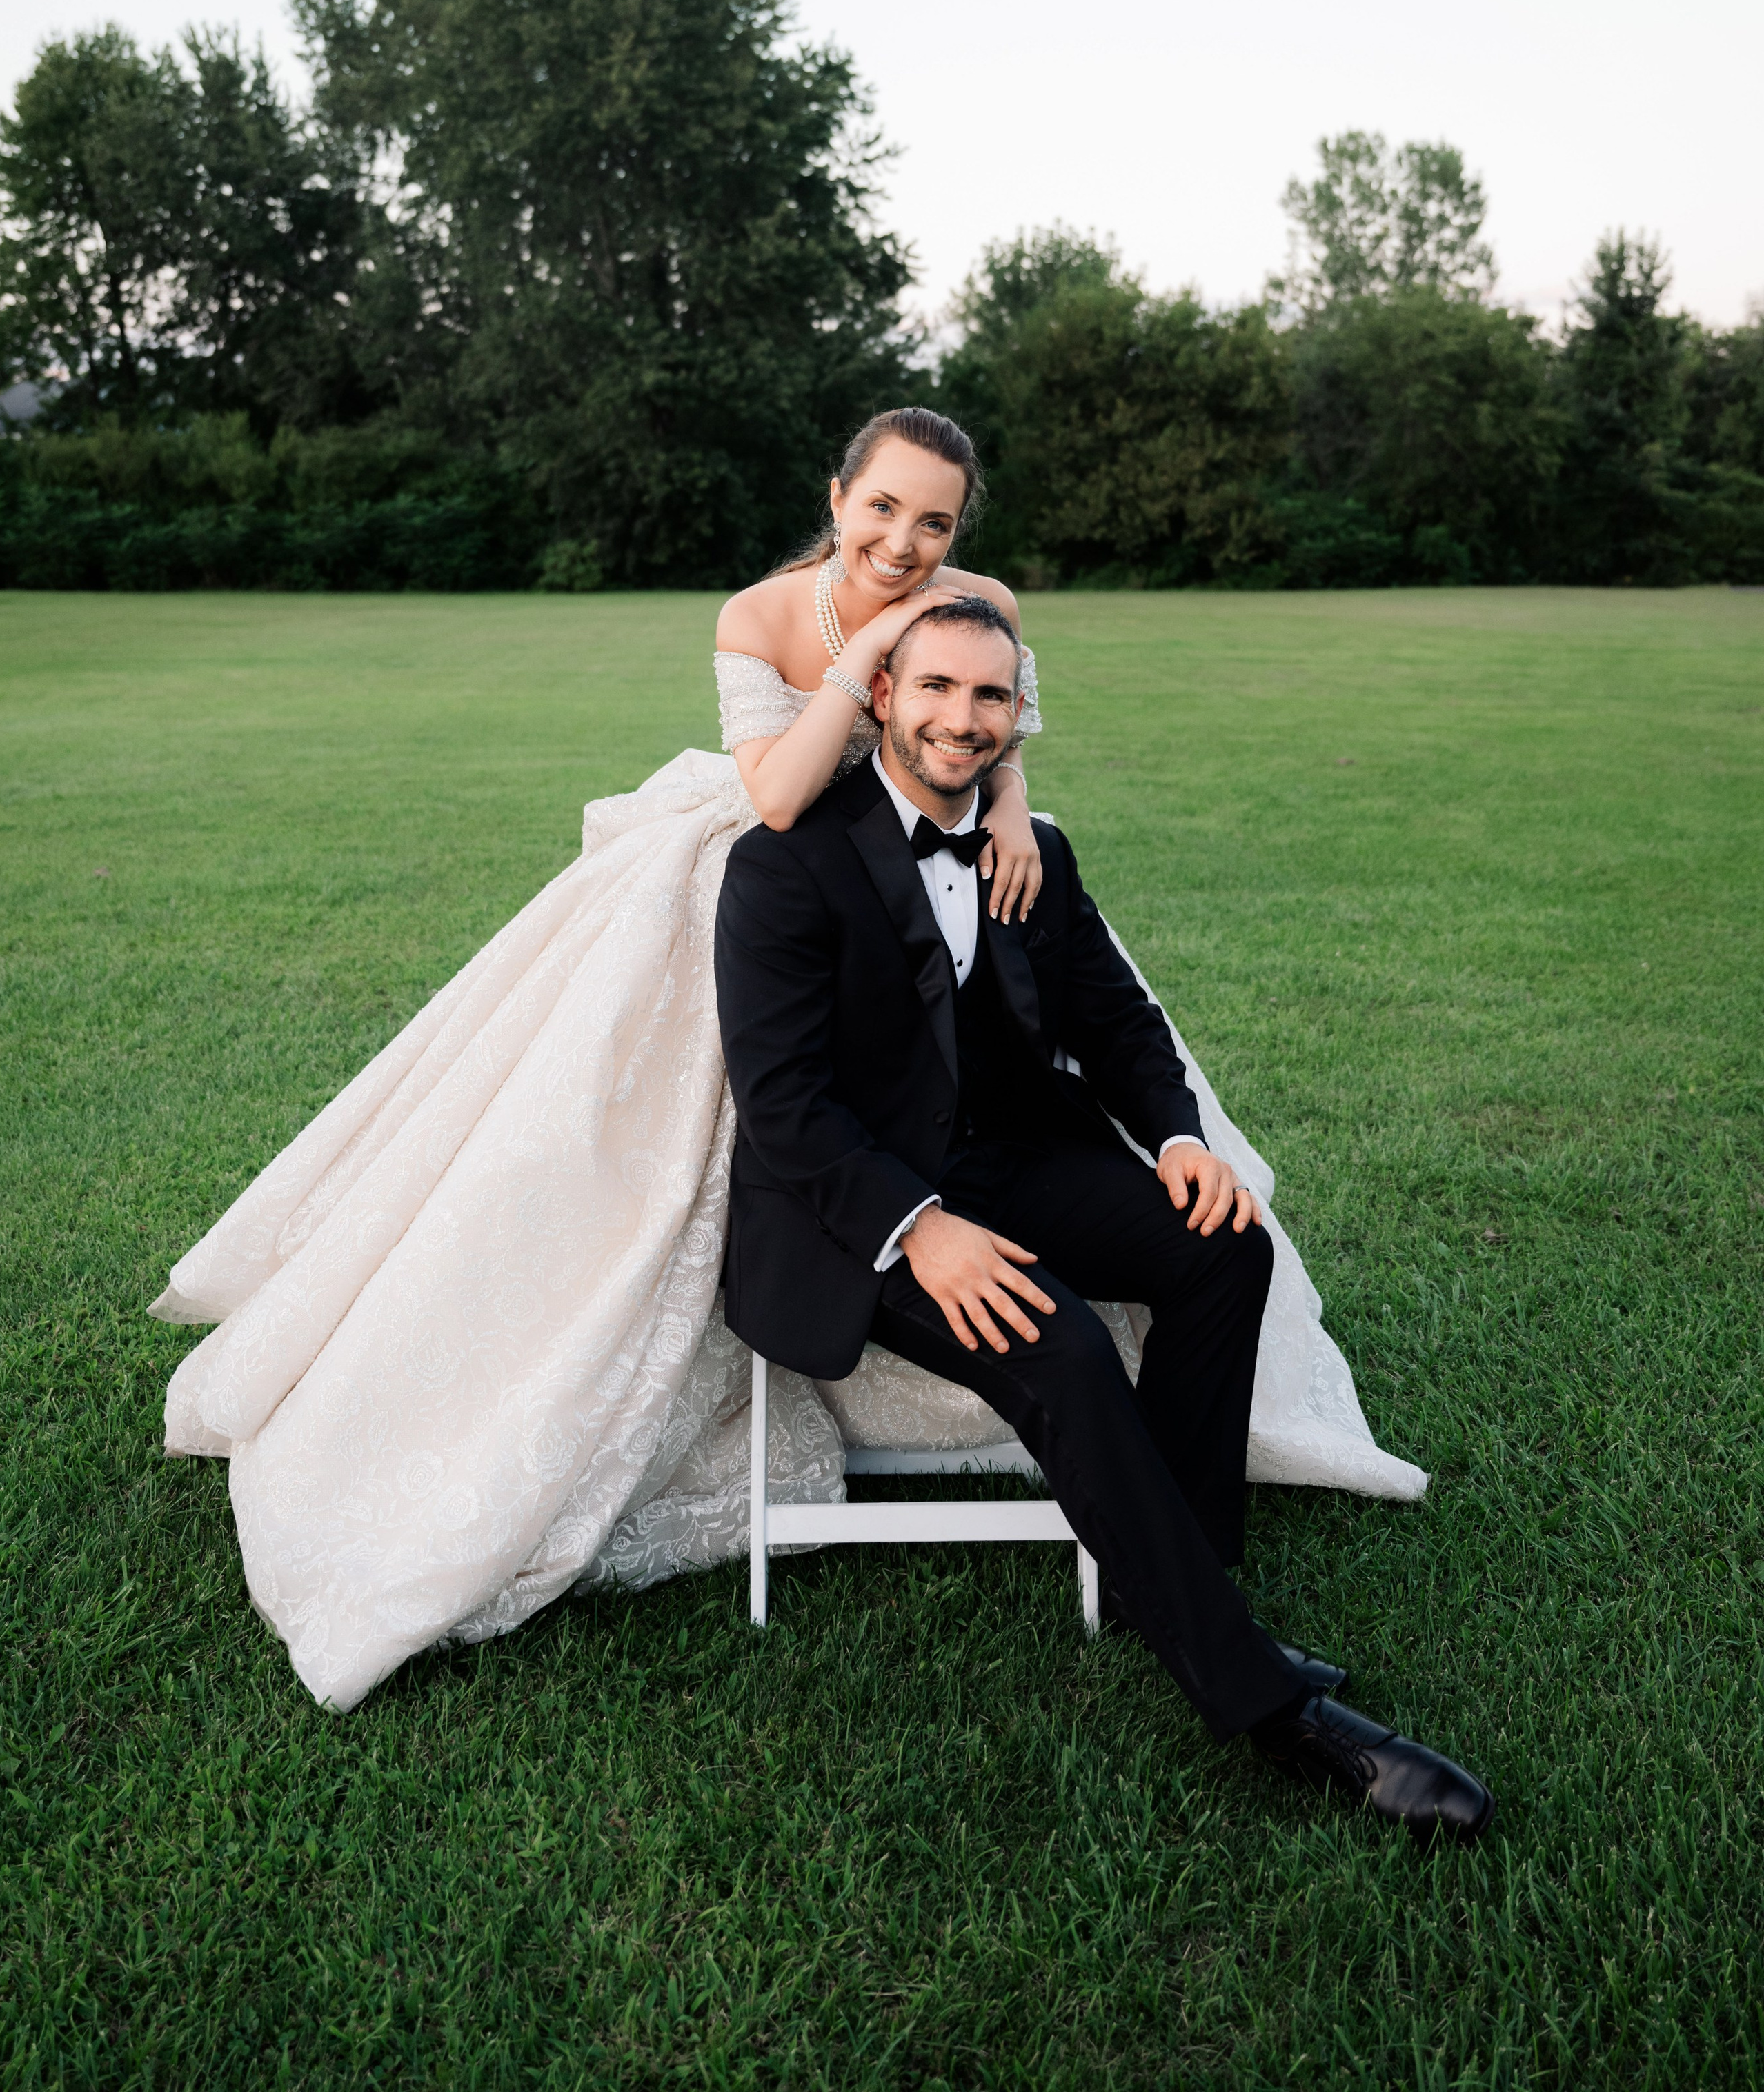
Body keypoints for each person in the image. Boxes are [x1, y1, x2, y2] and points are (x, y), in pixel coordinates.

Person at [151, 407, 1425, 1718]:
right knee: (878, 1216)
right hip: (811, 884)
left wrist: (1012, 820)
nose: (904, 540)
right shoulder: (770, 656)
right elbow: (778, 835)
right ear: (840, 499)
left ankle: (1187, 1556)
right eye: (883, 512)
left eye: (934, 522)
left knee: (1221, 1239)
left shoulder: (976, 637)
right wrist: (866, 667)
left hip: (956, 936)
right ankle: (1242, 1678)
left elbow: (1026, 809)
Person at [715, 590, 1493, 1842]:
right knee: (1065, 1345)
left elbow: (1117, 1020)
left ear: (1020, 713)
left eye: (990, 696)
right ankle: (1272, 1709)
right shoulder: (782, 864)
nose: (962, 720)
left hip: (1013, 1158)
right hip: (856, 1205)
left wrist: (1181, 1137)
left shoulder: (1039, 852)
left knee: (1225, 1245)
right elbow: (785, 1104)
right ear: (881, 700)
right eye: (935, 690)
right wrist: (919, 1224)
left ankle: (1164, 1576)